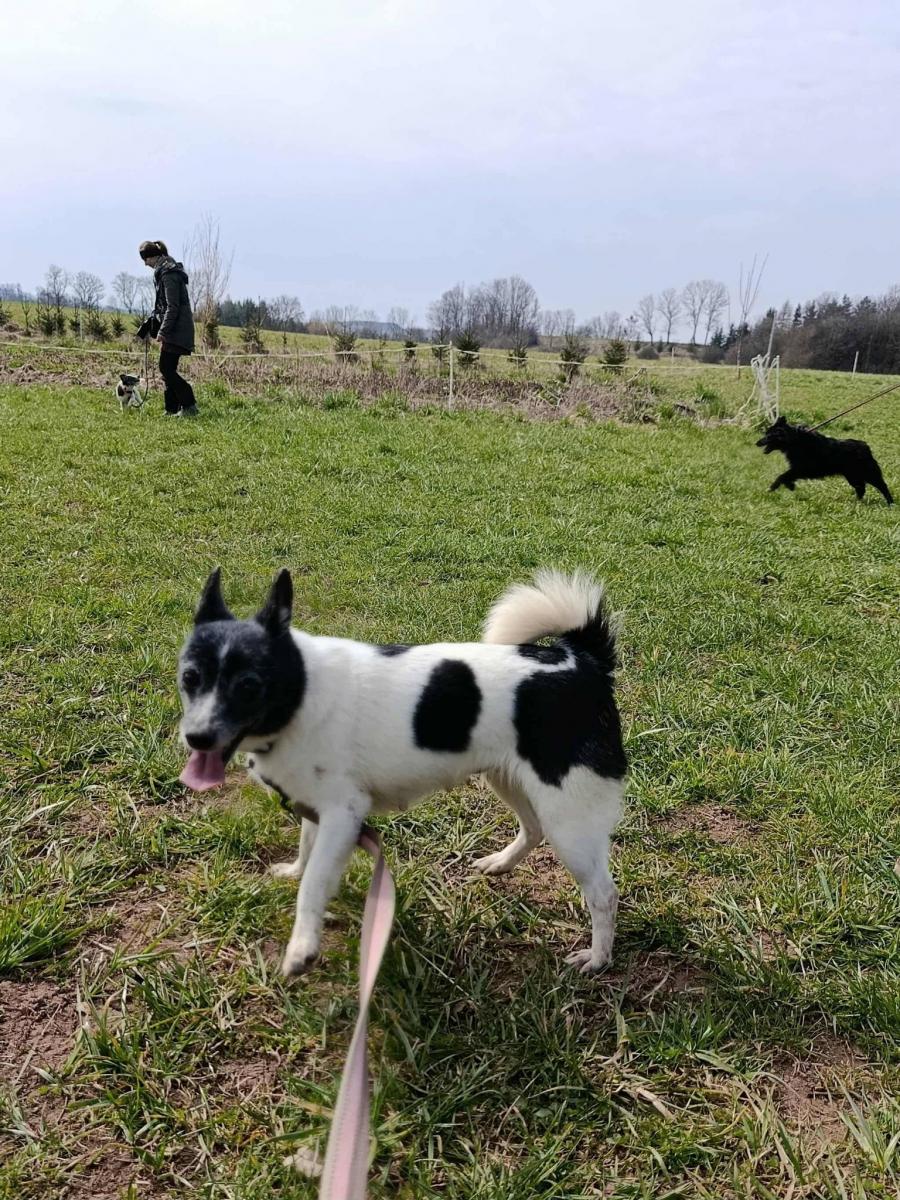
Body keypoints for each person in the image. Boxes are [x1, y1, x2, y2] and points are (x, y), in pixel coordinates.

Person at [137, 240, 198, 417]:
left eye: (145, 259)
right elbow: (163, 306)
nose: (145, 264)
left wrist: (163, 331)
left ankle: (189, 404)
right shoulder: (165, 271)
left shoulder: (168, 274)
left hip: (177, 330)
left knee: (165, 368)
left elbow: (173, 306)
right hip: (174, 328)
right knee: (167, 369)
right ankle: (171, 409)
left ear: (152, 257)